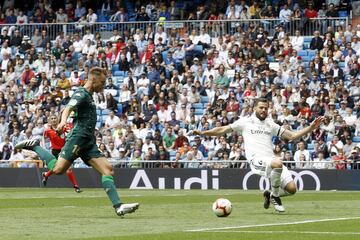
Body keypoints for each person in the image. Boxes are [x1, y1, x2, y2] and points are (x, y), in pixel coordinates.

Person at [15, 67, 139, 217]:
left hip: (88, 141)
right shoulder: (81, 93)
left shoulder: (89, 95)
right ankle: (35, 146)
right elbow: (68, 108)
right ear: (94, 79)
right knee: (59, 170)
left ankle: (118, 206)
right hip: (78, 137)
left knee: (108, 170)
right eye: (103, 82)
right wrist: (62, 122)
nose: (104, 85)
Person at [192, 98, 324, 212]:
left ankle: (269, 194)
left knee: (292, 189)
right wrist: (203, 133)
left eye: (266, 108)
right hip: (256, 159)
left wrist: (311, 128)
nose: (263, 110)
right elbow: (222, 129)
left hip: (270, 159)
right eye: (261, 107)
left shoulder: (270, 124)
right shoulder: (245, 122)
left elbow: (293, 136)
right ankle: (275, 197)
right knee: (278, 163)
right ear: (255, 108)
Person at [42, 114, 81, 193]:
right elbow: (43, 138)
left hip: (64, 150)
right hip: (55, 151)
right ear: (49, 121)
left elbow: (70, 133)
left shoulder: (63, 128)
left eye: (55, 118)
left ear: (57, 119)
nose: (53, 120)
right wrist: (43, 147)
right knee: (65, 168)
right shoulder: (47, 131)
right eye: (52, 118)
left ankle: (46, 175)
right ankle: (76, 186)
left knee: (60, 168)